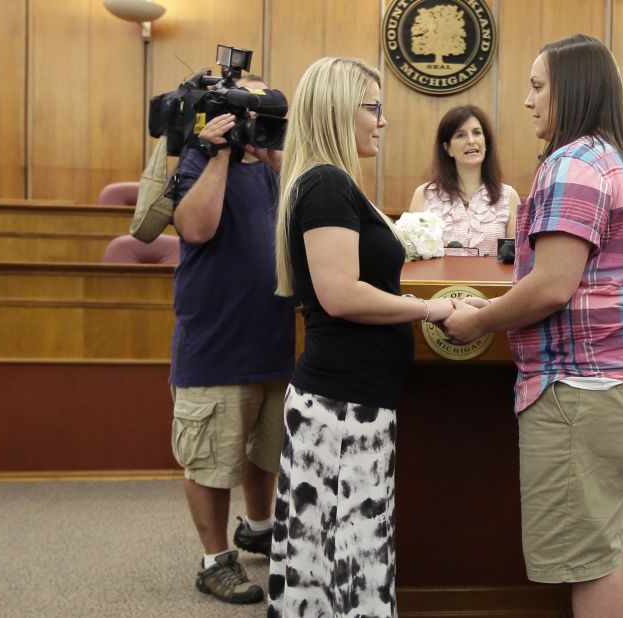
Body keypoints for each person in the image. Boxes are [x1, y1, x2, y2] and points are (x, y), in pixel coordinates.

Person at [442, 35, 623, 618]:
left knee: (586, 557)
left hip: (582, 388)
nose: (527, 101)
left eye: (538, 87)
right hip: (614, 380)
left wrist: (479, 323)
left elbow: (552, 284)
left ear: (574, 89)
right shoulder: (611, 158)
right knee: (603, 540)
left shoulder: (573, 164)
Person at [269, 57, 454, 617]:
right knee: (345, 565)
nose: (382, 120)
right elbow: (341, 294)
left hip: (350, 401)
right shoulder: (325, 182)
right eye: (373, 107)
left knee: (340, 560)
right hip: (340, 408)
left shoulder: (331, 181)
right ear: (337, 110)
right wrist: (427, 308)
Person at [169, 74, 295, 605]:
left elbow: (303, 213)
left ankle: (259, 528)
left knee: (266, 451)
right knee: (212, 459)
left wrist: (271, 157)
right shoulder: (197, 162)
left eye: (261, 106)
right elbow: (196, 228)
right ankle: (214, 561)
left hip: (272, 341)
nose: (253, 117)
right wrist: (219, 154)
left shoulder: (271, 170)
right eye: (244, 106)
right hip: (216, 343)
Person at [408, 105, 520, 256]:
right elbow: (413, 257)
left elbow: (516, 262)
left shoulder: (508, 196)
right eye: (461, 135)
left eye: (477, 133)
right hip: (436, 279)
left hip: (489, 280)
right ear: (447, 148)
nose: (471, 140)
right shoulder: (424, 195)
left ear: (486, 143)